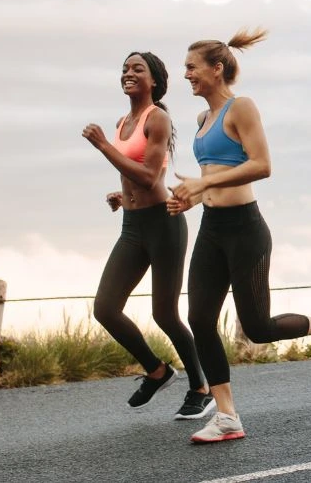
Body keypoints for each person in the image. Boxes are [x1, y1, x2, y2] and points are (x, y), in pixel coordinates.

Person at [167, 28, 311, 444]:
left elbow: (262, 165)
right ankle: (227, 416)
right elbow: (214, 178)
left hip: (245, 231)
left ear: (217, 70)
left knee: (257, 328)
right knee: (199, 318)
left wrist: (201, 187)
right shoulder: (202, 120)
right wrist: (194, 198)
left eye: (191, 67)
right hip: (212, 230)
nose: (186, 75)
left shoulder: (241, 108)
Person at [82, 51, 215, 420]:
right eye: (124, 68)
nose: (128, 73)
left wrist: (102, 145)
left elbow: (150, 177)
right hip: (133, 225)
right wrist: (121, 196)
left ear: (153, 80)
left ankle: (201, 387)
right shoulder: (123, 120)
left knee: (165, 314)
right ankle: (158, 371)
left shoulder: (159, 119)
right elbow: (132, 179)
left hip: (164, 224)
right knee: (105, 308)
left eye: (137, 69)